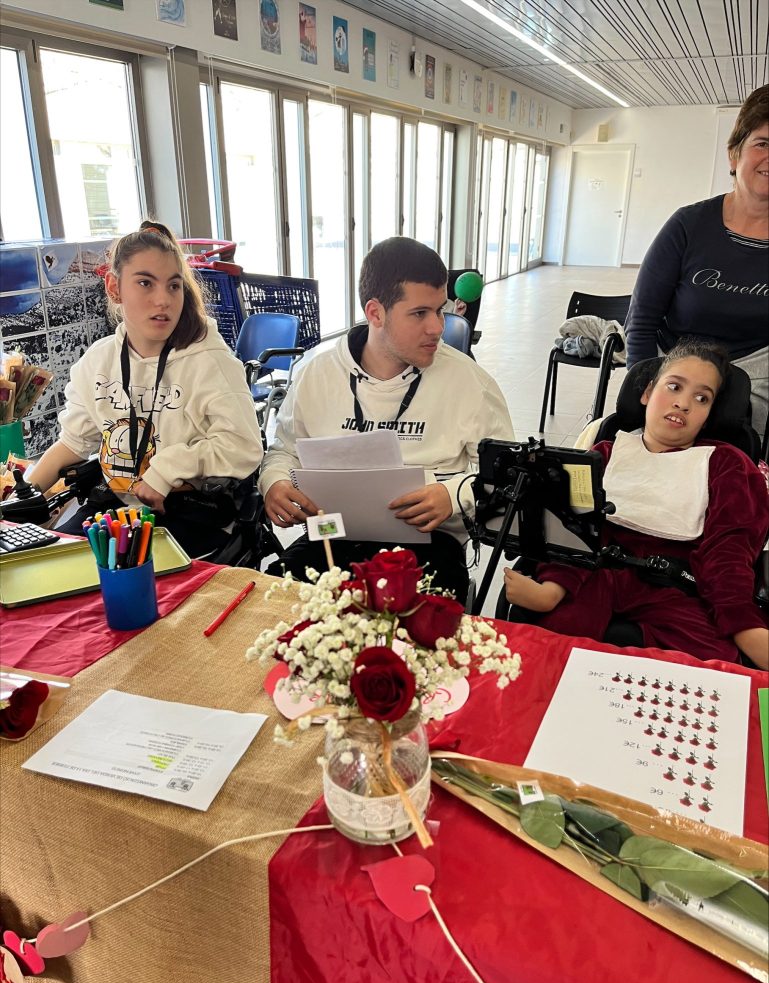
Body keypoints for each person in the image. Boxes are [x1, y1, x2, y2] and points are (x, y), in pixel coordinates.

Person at [258, 236, 514, 601]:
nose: (437, 327)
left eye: (440, 310)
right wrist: (275, 482)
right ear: (375, 313)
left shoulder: (470, 383)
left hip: (429, 542)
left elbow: (507, 477)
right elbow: (284, 450)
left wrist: (453, 495)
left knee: (414, 623)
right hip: (331, 535)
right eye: (420, 313)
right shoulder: (316, 374)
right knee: (271, 603)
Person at [503, 340, 769, 668]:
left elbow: (728, 552)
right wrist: (554, 588)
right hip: (593, 578)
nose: (683, 404)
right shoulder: (603, 454)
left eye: (701, 398)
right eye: (674, 387)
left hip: (678, 589)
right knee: (541, 655)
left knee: (714, 669)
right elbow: (572, 531)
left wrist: (744, 625)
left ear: (709, 414)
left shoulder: (727, 464)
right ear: (647, 392)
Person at [28, 221, 263, 557]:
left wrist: (167, 468)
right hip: (115, 509)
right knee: (46, 563)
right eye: (145, 283)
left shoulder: (211, 362)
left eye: (173, 286)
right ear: (114, 287)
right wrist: (24, 494)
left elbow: (244, 446)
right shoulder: (98, 360)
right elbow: (74, 442)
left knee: (120, 579)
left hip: (189, 512)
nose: (163, 300)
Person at [624, 85, 768, 440]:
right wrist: (648, 388)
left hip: (753, 381)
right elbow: (641, 322)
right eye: (763, 144)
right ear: (734, 154)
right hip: (674, 368)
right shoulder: (688, 225)